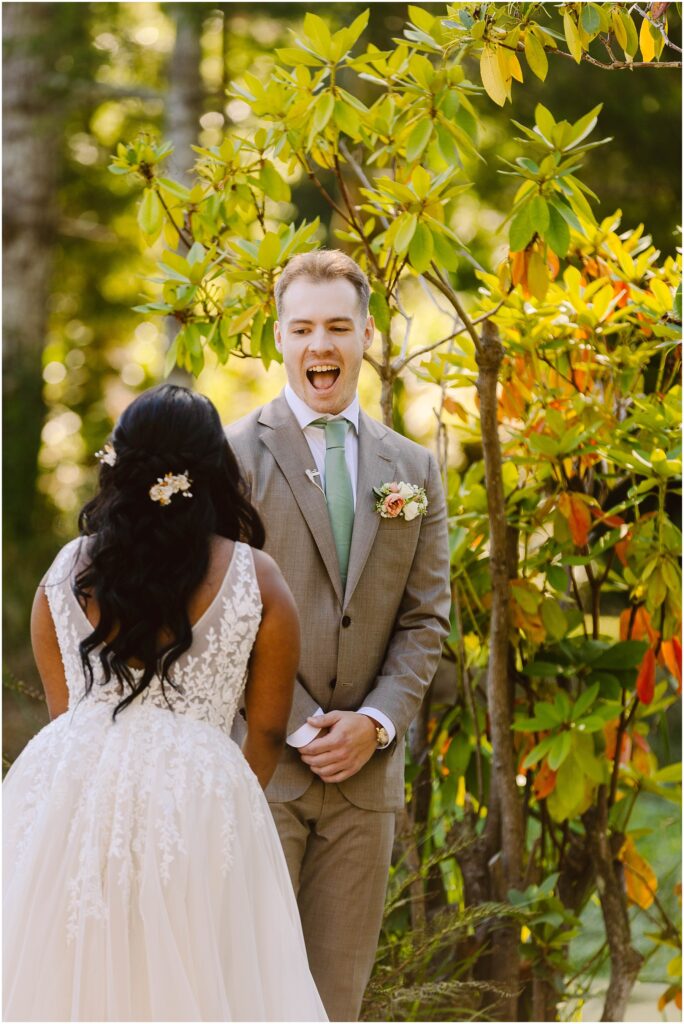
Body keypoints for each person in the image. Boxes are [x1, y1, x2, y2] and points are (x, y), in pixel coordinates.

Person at [3, 384, 327, 1023]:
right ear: (213, 471)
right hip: (199, 806)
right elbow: (265, 732)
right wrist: (220, 807)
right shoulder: (255, 578)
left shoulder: (63, 572)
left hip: (71, 799)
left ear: (117, 463)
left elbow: (66, 714)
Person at [227, 250, 452, 1021]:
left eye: (337, 327)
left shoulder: (412, 469)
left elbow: (426, 618)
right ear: (279, 338)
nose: (320, 346)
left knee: (334, 1006)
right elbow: (222, 613)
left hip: (365, 786)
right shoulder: (232, 457)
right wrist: (295, 725)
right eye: (302, 329)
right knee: (248, 996)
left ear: (365, 333)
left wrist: (374, 724)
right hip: (260, 773)